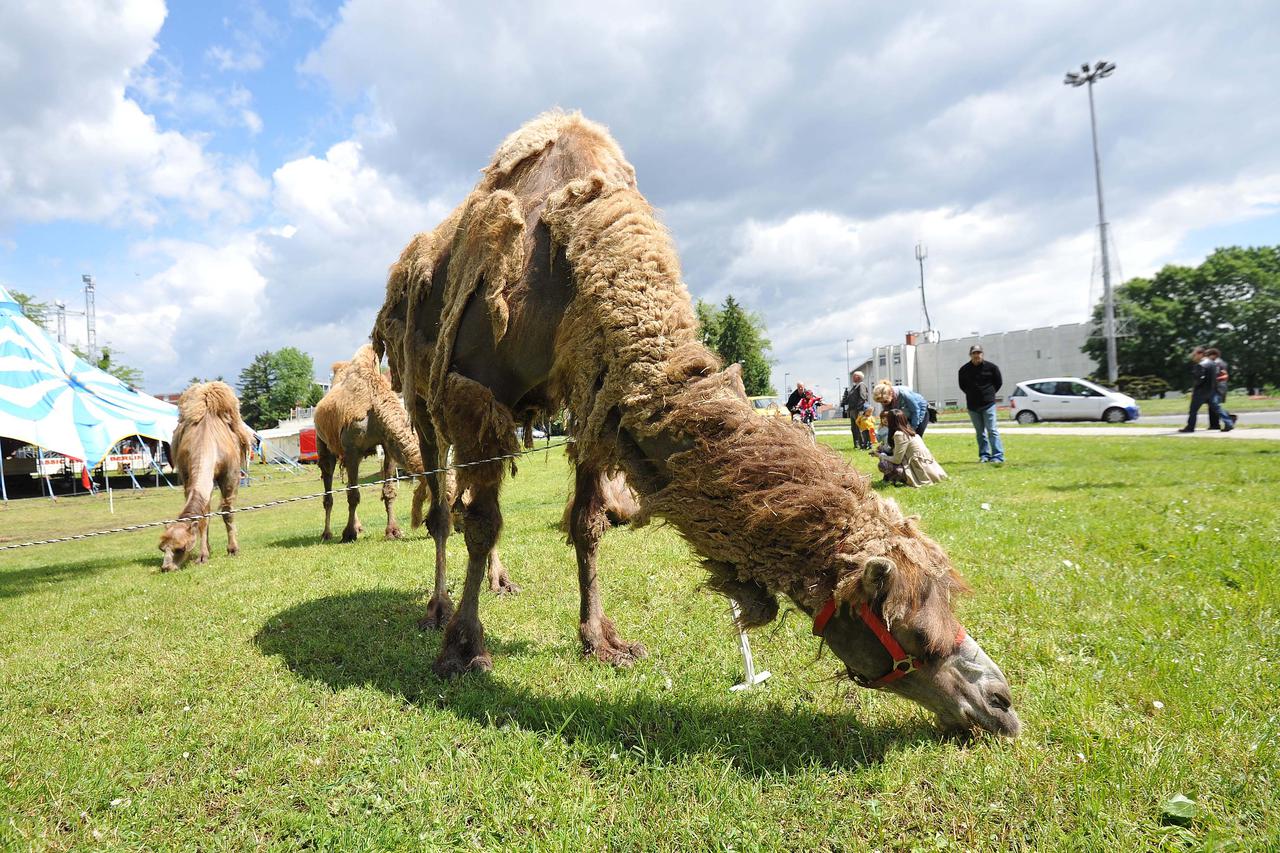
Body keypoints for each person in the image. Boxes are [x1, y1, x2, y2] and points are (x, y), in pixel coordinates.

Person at [957, 344, 1005, 464]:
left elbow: (998, 383)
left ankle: (998, 456)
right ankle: (984, 455)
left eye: (978, 353)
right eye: (974, 353)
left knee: (992, 430)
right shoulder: (963, 370)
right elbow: (962, 386)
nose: (976, 355)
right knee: (980, 433)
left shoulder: (992, 368)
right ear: (970, 355)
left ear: (982, 354)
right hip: (973, 406)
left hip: (988, 404)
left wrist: (989, 394)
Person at [876, 408, 948, 487]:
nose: (885, 420)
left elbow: (897, 460)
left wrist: (880, 455)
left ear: (891, 421)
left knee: (884, 464)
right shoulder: (910, 431)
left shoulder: (899, 434)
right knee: (883, 453)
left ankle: (899, 479)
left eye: (887, 418)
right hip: (932, 470)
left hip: (920, 471)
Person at [1178, 346, 1216, 433]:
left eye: (1194, 355)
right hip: (1210, 391)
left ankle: (1190, 427)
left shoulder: (1201, 365)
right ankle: (1229, 422)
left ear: (1200, 354)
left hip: (1200, 391)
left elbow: (1199, 379)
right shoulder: (1212, 363)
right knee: (1217, 408)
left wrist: (1194, 388)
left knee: (1193, 410)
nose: (1193, 357)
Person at [1205, 347, 1235, 432]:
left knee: (1214, 405)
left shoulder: (1218, 363)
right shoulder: (1216, 362)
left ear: (1214, 355)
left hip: (1218, 387)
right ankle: (1214, 424)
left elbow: (1222, 375)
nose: (1206, 357)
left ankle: (1229, 419)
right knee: (1212, 405)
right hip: (1216, 386)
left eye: (1208, 355)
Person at [840, 371, 873, 450]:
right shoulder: (855, 387)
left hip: (858, 410)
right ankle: (857, 445)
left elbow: (863, 397)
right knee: (854, 428)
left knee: (859, 428)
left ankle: (863, 445)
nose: (852, 377)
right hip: (852, 410)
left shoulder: (861, 385)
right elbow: (849, 398)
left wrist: (859, 409)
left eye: (854, 376)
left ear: (858, 377)